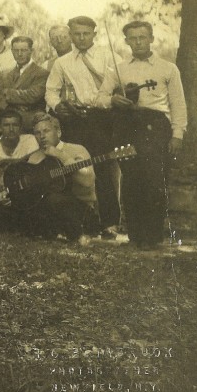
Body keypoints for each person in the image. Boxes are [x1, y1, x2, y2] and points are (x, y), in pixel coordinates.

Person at [95, 20, 187, 249]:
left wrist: (177, 134)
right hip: (127, 126)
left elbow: (178, 104)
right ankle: (135, 235)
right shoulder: (119, 68)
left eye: (142, 37)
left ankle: (152, 236)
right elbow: (99, 98)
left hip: (156, 126)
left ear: (151, 39)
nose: (137, 42)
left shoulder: (167, 68)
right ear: (126, 41)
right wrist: (113, 100)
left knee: (154, 179)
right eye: (133, 38)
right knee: (131, 178)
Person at [44, 15, 123, 237]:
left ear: (94, 34)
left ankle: (110, 222)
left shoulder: (109, 56)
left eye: (86, 34)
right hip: (74, 119)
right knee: (73, 167)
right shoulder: (62, 62)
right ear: (70, 35)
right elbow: (51, 91)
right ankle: (78, 221)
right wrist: (58, 106)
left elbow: (123, 83)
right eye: (77, 34)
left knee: (102, 167)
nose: (81, 38)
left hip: (102, 118)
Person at [0, 114, 97, 243]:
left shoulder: (76, 149)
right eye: (37, 133)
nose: (42, 136)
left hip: (79, 209)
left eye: (46, 131)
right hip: (48, 208)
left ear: (58, 132)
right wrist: (5, 191)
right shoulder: (35, 156)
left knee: (53, 199)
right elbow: (14, 174)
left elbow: (88, 181)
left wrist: (60, 154)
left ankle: (75, 234)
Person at [0, 36, 49, 133]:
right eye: (16, 50)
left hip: (28, 125)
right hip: (5, 125)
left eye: (23, 50)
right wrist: (11, 107)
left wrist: (6, 92)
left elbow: (32, 96)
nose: (19, 54)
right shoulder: (5, 73)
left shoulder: (41, 73)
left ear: (31, 51)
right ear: (12, 51)